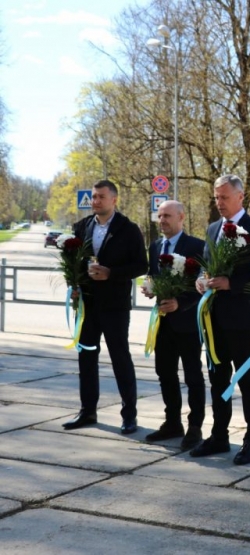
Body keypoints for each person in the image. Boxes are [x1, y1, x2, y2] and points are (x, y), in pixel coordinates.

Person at [192, 174, 250, 465]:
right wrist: (203, 281)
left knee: (246, 378)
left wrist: (231, 283)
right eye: (216, 197)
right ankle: (219, 435)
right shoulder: (213, 228)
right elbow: (206, 266)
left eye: (224, 197)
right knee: (217, 378)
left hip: (242, 318)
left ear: (240, 196)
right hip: (213, 318)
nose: (219, 202)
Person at [62, 179, 148, 435]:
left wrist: (111, 273)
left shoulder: (129, 229)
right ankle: (87, 410)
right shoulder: (82, 227)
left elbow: (141, 266)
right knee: (86, 356)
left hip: (115, 306)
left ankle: (129, 415)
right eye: (93, 197)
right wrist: (74, 284)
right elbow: (72, 262)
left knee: (120, 358)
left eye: (100, 197)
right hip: (87, 305)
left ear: (114, 200)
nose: (95, 201)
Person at [141, 200, 207, 451]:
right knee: (164, 373)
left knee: (192, 376)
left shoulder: (196, 246)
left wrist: (181, 303)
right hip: (163, 322)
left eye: (167, 216)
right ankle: (172, 423)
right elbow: (152, 275)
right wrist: (150, 288)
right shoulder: (156, 246)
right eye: (160, 216)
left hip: (188, 322)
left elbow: (202, 286)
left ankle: (195, 427)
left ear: (181, 217)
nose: (162, 220)